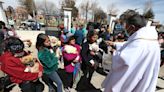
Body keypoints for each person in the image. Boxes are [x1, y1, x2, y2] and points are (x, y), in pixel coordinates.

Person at [102, 10, 161, 92]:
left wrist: (114, 53)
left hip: (131, 84)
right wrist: (115, 44)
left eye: (126, 26)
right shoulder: (150, 40)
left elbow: (124, 61)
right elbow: (130, 45)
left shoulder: (140, 43)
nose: (125, 28)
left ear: (132, 27)